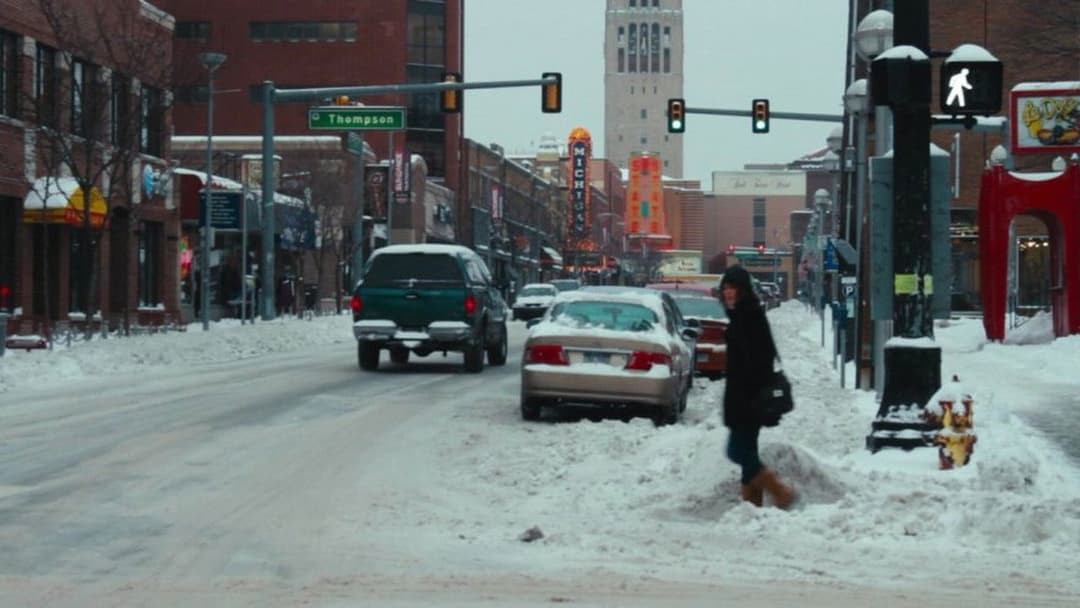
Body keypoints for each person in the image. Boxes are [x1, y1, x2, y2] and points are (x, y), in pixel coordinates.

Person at [719, 265, 797, 509]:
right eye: (726, 288)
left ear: (743, 291)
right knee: (747, 451)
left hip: (748, 400)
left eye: (733, 288)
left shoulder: (749, 317)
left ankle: (779, 490)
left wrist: (748, 396)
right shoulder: (742, 316)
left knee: (736, 451)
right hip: (744, 398)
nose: (728, 293)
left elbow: (758, 360)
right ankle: (752, 506)